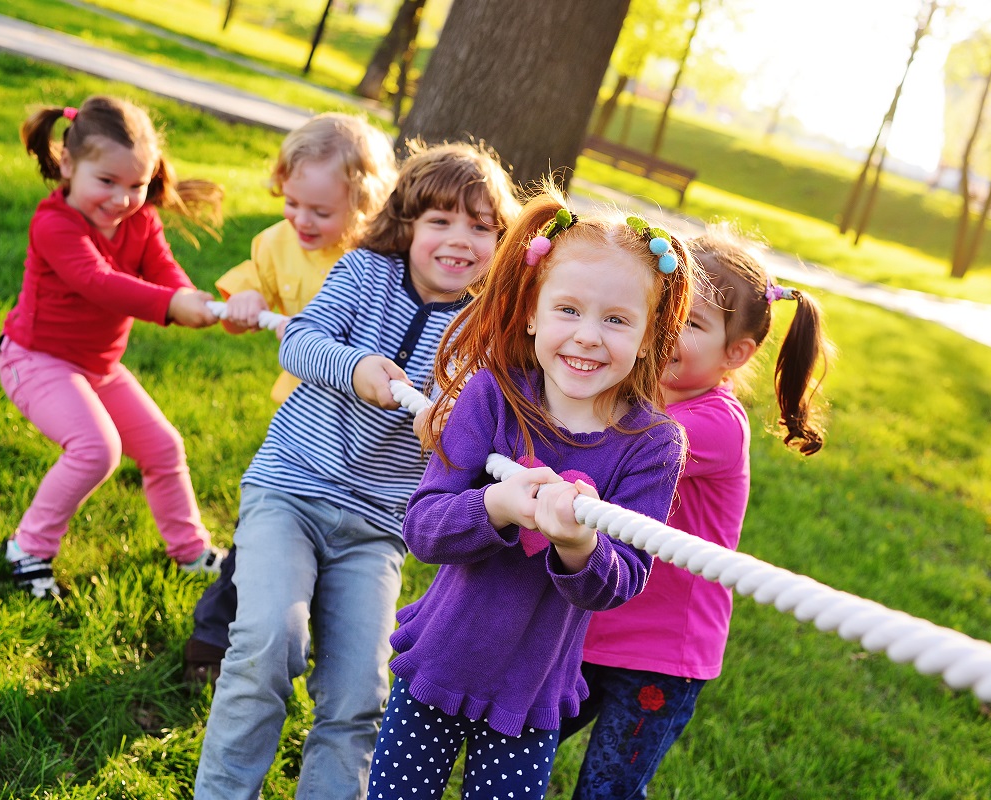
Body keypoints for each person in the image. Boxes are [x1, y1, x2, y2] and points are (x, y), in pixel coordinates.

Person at [194, 141, 522, 800]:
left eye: (481, 228)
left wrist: (453, 429)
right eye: (440, 221)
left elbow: (480, 436)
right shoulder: (365, 272)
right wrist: (356, 368)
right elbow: (302, 339)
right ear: (407, 225)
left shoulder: (488, 331)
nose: (459, 240)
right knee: (266, 644)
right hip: (292, 488)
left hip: (377, 526)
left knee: (360, 694)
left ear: (501, 242)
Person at [365, 187, 698, 800]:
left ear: (651, 337)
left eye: (618, 320)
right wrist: (498, 506)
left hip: (532, 693)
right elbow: (424, 529)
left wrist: (577, 544)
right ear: (531, 314)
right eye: (568, 310)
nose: (589, 337)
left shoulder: (654, 443)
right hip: (437, 665)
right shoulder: (491, 395)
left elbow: (620, 581)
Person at [562, 222, 834, 800]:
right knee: (517, 751)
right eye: (664, 310)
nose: (665, 331)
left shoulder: (712, 425)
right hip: (592, 625)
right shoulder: (637, 395)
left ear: (736, 352)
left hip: (660, 655)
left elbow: (607, 447)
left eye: (691, 323)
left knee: (605, 791)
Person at [183, 113, 397, 685]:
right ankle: (212, 630)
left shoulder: (379, 261)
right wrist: (248, 299)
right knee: (269, 531)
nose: (302, 220)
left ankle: (323, 637)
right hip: (302, 425)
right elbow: (241, 298)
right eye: (292, 203)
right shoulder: (276, 244)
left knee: (336, 545)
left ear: (364, 205)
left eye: (320, 212)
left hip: (368, 432)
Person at [0, 95, 226, 600]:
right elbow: (97, 281)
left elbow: (163, 268)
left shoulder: (140, 221)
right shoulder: (54, 223)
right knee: (97, 449)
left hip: (97, 367)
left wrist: (185, 295)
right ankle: (28, 547)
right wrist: (170, 305)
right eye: (107, 182)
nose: (122, 199)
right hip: (34, 359)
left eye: (136, 185)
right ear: (69, 165)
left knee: (164, 447)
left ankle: (189, 551)